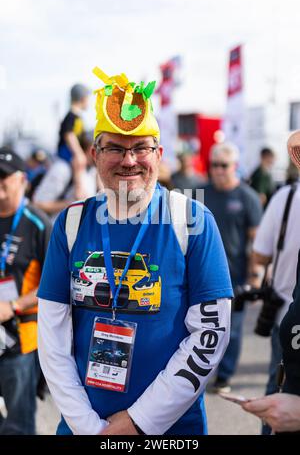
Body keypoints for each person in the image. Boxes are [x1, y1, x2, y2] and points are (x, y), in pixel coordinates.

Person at [37, 66, 233, 436]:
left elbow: (209, 336)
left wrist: (137, 422)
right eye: (115, 148)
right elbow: (52, 341)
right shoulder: (71, 222)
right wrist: (89, 427)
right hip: (84, 426)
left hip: (172, 429)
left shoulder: (192, 219)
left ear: (158, 154)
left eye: (140, 147)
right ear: (95, 154)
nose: (129, 160)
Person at [245, 131, 300, 434]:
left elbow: (260, 255)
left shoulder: (286, 198)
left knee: (278, 388)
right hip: (287, 314)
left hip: (286, 316)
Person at [199, 142, 262, 393]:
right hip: (201, 272)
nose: (218, 170)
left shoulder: (248, 197)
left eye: (223, 166)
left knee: (232, 330)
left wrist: (255, 278)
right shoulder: (200, 193)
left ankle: (224, 376)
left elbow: (257, 241)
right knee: (199, 327)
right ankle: (199, 374)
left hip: (234, 275)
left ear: (234, 166)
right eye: (213, 165)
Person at [0, 148, 51, 434]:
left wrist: (14, 305)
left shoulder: (38, 223)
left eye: (4, 176)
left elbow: (56, 285)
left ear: (22, 180)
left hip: (21, 338)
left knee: (18, 425)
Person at [33, 133, 98, 222]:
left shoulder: (92, 172)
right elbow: (38, 204)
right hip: (55, 232)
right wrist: (72, 204)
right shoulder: (62, 169)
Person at [57, 83, 90, 173]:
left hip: (71, 151)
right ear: (83, 98)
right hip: (66, 151)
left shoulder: (78, 116)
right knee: (78, 163)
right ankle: (79, 186)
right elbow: (69, 135)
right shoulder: (72, 115)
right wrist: (78, 153)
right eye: (88, 99)